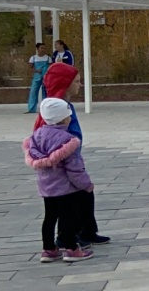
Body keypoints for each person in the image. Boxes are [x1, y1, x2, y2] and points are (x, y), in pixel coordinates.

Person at [32, 62, 107, 246]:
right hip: (67, 163)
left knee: (82, 197)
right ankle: (69, 237)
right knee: (75, 199)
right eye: (77, 82)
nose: (80, 85)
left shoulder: (59, 107)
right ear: (64, 84)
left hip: (70, 159)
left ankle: (85, 231)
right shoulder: (59, 109)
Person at [25, 97, 94, 263]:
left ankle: (48, 249)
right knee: (68, 218)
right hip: (65, 188)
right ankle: (70, 248)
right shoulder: (67, 140)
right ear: (64, 118)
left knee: (49, 218)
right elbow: (74, 168)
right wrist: (86, 185)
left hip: (46, 187)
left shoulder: (37, 136)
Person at [25, 43, 51, 113]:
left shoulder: (48, 58)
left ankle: (45, 108)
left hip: (45, 77)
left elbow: (51, 67)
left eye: (44, 48)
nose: (43, 50)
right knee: (33, 92)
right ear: (37, 49)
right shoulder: (33, 58)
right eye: (41, 48)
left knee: (45, 92)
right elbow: (30, 68)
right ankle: (31, 108)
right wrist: (36, 70)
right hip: (37, 77)